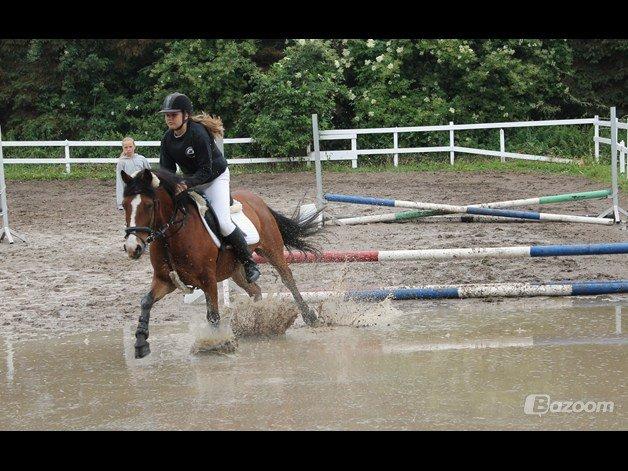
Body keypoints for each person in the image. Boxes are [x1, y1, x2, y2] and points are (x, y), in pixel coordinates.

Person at [157, 92, 261, 283]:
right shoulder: (167, 140)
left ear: (185, 115)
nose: (169, 118)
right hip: (192, 179)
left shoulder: (198, 133)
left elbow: (206, 170)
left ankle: (249, 263)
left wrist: (185, 183)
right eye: (167, 115)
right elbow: (167, 171)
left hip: (215, 179)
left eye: (173, 114)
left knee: (223, 222)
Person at [116, 137, 151, 210]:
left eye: (130, 146)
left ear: (134, 147)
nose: (128, 149)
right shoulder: (121, 162)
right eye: (126, 147)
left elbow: (149, 173)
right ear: (123, 148)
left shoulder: (141, 159)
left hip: (142, 188)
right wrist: (120, 202)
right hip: (130, 189)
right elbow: (120, 182)